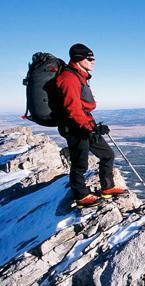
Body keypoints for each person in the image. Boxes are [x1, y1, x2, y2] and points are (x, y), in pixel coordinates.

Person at [56, 43, 125, 208]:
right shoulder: (69, 78)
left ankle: (107, 187)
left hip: (86, 123)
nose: (93, 61)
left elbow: (81, 108)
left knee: (107, 154)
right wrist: (91, 127)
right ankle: (81, 196)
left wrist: (93, 126)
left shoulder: (80, 76)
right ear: (79, 59)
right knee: (80, 163)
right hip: (74, 127)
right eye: (90, 58)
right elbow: (72, 109)